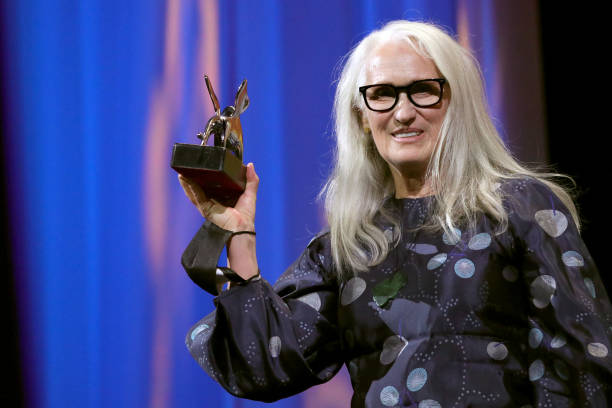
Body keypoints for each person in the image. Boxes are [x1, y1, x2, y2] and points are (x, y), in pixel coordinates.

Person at [178, 20, 612, 407]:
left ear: (455, 102)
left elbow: (578, 367)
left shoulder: (520, 207)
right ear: (362, 117)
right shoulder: (350, 245)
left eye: (423, 89)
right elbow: (268, 365)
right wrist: (239, 236)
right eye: (382, 94)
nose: (404, 113)